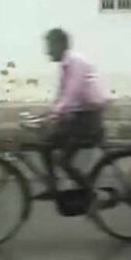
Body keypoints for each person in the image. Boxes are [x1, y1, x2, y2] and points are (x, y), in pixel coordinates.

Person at [43, 28, 110, 188]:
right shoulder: (66, 65)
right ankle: (55, 186)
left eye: (50, 46)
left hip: (88, 119)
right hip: (79, 117)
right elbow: (62, 95)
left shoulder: (76, 62)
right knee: (46, 145)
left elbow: (72, 93)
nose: (47, 51)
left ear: (60, 45)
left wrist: (56, 113)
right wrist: (48, 114)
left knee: (64, 161)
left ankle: (89, 192)